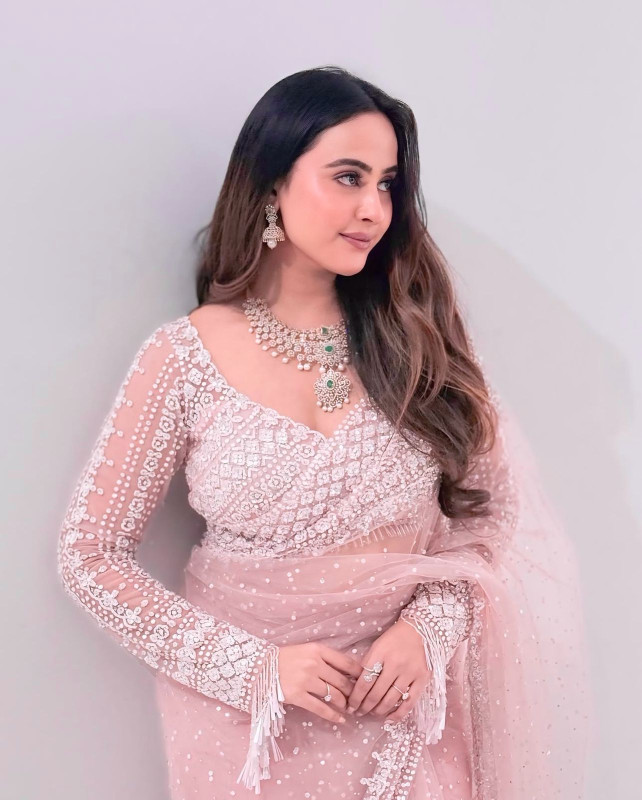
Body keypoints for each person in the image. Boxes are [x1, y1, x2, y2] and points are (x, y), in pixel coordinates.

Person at [57, 66, 594, 799]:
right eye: (348, 177)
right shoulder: (184, 357)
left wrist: (429, 629)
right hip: (246, 728)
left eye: (387, 184)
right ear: (272, 183)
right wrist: (252, 670)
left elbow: (490, 511)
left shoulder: (418, 343)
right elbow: (90, 556)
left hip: (404, 710)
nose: (373, 209)